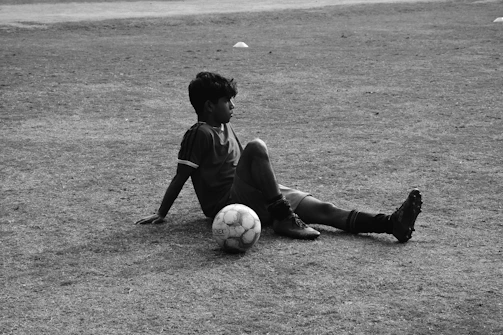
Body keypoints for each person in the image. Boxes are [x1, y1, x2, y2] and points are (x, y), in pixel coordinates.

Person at [136, 71, 422, 242]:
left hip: (254, 193)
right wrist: (162, 212)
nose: (233, 105)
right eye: (227, 101)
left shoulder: (225, 125)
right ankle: (284, 217)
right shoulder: (199, 133)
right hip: (228, 202)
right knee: (257, 146)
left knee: (324, 209)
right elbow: (181, 176)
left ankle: (390, 224)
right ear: (209, 106)